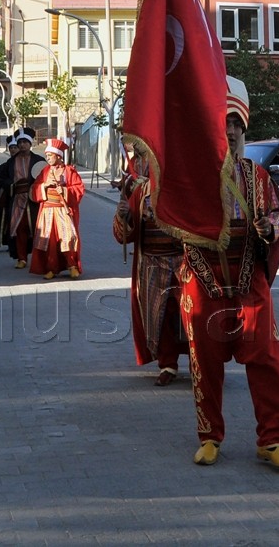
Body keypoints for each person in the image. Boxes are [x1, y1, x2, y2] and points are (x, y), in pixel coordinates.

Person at [179, 76, 279, 469]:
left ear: (243, 129)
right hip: (203, 278)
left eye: (235, 124)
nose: (230, 131)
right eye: (223, 123)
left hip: (249, 279)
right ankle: (210, 437)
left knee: (268, 359)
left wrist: (271, 228)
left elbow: (276, 213)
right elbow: (172, 219)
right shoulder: (192, 176)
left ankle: (271, 440)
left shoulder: (257, 176)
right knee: (205, 364)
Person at [112, 151, 187, 385]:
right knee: (159, 315)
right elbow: (124, 234)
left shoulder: (186, 188)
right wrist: (125, 216)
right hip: (152, 263)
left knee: (190, 314)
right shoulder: (140, 190)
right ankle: (168, 364)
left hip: (185, 262)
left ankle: (202, 362)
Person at [30, 138, 85, 280]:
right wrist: (44, 185)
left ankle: (72, 266)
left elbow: (79, 189)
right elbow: (34, 189)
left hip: (62, 210)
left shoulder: (69, 171)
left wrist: (65, 191)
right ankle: (51, 268)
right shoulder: (45, 171)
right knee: (50, 241)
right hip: (47, 211)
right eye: (46, 156)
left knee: (68, 237)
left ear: (58, 156)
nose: (47, 158)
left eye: (50, 155)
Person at [5, 128, 45, 268]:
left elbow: (46, 177)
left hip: (35, 200)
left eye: (25, 142)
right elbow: (1, 177)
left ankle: (40, 258)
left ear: (30, 143)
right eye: (20, 142)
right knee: (20, 228)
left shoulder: (39, 161)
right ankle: (21, 258)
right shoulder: (11, 162)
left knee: (37, 229)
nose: (22, 145)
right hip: (18, 200)